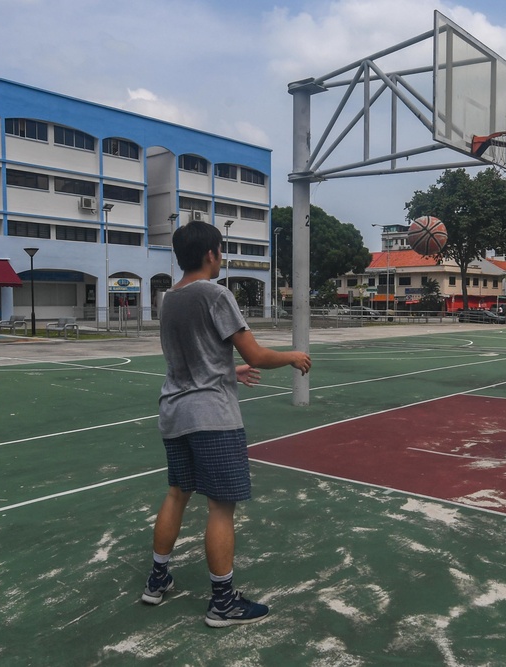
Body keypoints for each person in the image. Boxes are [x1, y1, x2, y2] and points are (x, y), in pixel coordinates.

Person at [142, 220, 311, 627]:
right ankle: (223, 603)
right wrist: (292, 355)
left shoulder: (170, 298)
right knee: (220, 507)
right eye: (221, 250)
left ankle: (157, 580)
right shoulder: (216, 294)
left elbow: (192, 357)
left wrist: (226, 370)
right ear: (210, 254)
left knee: (177, 493)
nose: (222, 257)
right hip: (212, 416)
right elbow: (255, 354)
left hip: (174, 410)